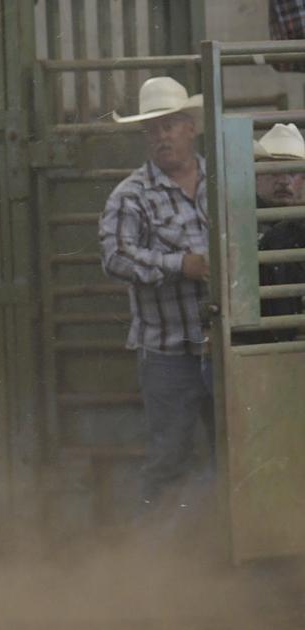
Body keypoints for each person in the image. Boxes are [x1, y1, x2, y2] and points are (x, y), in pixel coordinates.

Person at [99, 76, 214, 511]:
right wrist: (178, 265)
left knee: (234, 453)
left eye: (169, 125)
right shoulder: (131, 195)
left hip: (220, 347)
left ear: (191, 127)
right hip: (169, 351)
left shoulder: (221, 180)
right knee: (169, 459)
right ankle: (156, 560)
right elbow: (115, 257)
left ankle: (216, 550)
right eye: (153, 129)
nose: (162, 136)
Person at [250, 123, 305, 342]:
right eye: (273, 171)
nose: (283, 180)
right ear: (255, 176)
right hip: (255, 340)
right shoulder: (237, 221)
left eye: (293, 172)